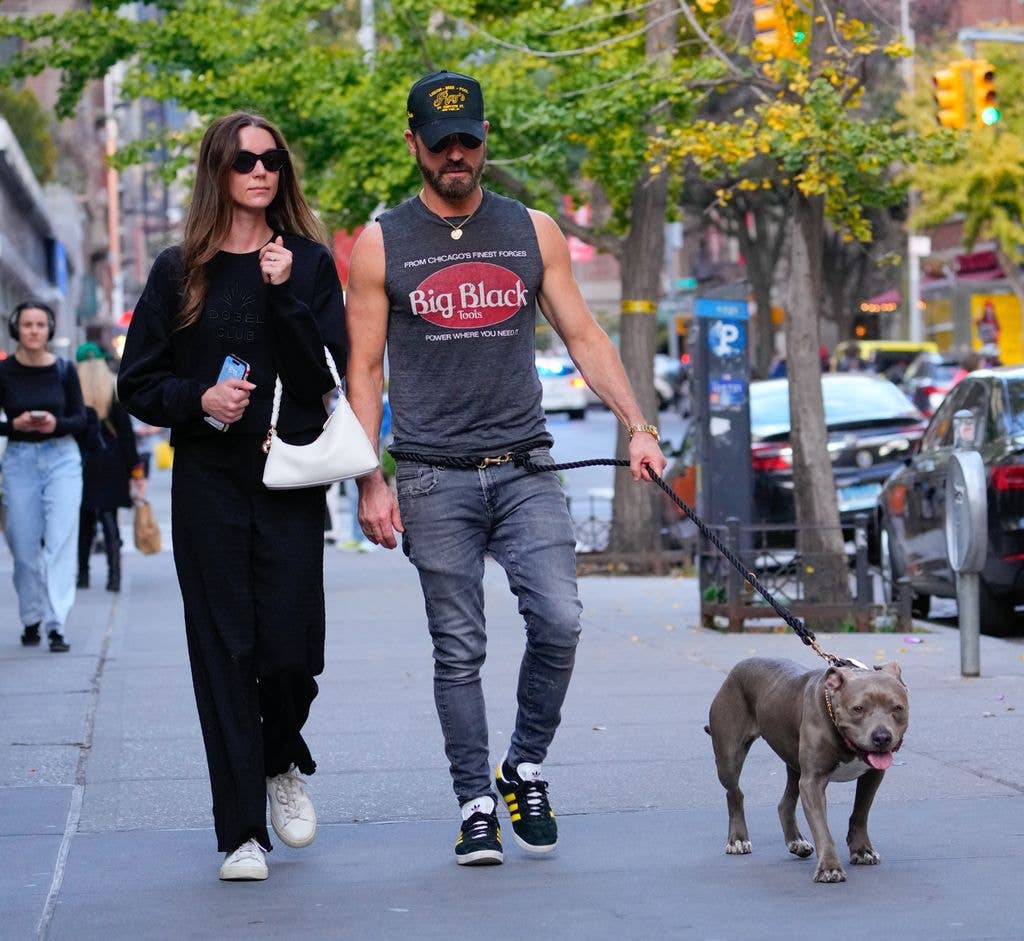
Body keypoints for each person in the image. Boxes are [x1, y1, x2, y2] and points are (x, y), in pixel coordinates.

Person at [345, 70, 667, 867]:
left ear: (487, 142)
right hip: (429, 475)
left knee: (559, 618)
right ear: (414, 142)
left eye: (470, 140)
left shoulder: (534, 229)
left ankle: (523, 765)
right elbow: (364, 370)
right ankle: (475, 803)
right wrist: (369, 479)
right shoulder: (381, 241)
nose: (457, 154)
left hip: (526, 467)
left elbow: (585, 335)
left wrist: (638, 423)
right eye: (442, 140)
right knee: (458, 647)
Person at [117, 112, 345, 882]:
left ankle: (282, 756)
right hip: (210, 481)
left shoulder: (308, 263)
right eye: (245, 159)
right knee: (224, 653)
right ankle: (241, 829)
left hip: (287, 476)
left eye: (272, 158)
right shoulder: (178, 269)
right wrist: (201, 399)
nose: (260, 170)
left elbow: (325, 373)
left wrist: (284, 295)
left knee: (291, 652)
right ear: (218, 170)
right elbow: (138, 384)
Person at [0, 301, 86, 652]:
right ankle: (31, 616)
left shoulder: (64, 370)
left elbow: (82, 419)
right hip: (19, 461)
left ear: (49, 329)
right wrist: (14, 425)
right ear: (16, 329)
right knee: (22, 546)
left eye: (40, 324)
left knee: (61, 540)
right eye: (27, 324)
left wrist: (56, 424)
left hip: (62, 458)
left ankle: (56, 624)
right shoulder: (4, 373)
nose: (34, 330)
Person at [75, 346, 145, 592]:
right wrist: (136, 471)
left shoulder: (73, 389)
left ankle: (82, 575)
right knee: (109, 519)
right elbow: (126, 435)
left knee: (84, 521)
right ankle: (114, 577)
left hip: (82, 461)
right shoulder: (113, 389)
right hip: (112, 461)